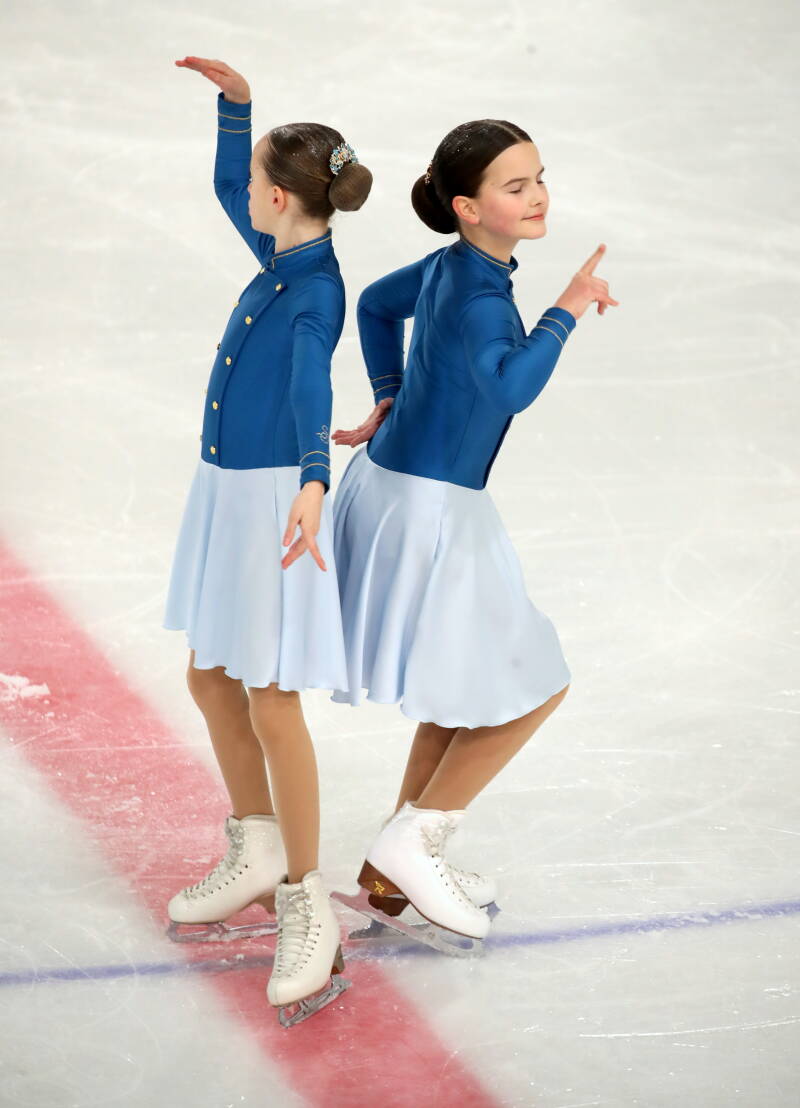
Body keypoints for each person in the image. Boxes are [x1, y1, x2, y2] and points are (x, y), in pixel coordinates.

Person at [329, 119, 617, 951]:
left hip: (395, 485)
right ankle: (412, 842)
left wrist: (386, 391)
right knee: (534, 682)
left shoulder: (456, 266)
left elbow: (378, 306)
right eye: (514, 186)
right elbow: (508, 385)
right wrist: (564, 308)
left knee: (463, 694)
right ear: (468, 205)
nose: (536, 197)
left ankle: (392, 872)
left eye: (538, 179)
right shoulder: (485, 292)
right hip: (432, 512)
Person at [163, 55, 372, 1024]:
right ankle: (256, 845)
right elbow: (224, 181)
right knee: (211, 677)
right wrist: (236, 111)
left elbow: (307, 390)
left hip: (268, 501)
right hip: (227, 490)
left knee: (271, 698)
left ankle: (306, 900)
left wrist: (312, 478)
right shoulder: (287, 254)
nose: (239, 196)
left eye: (252, 188)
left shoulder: (313, 293)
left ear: (279, 200)